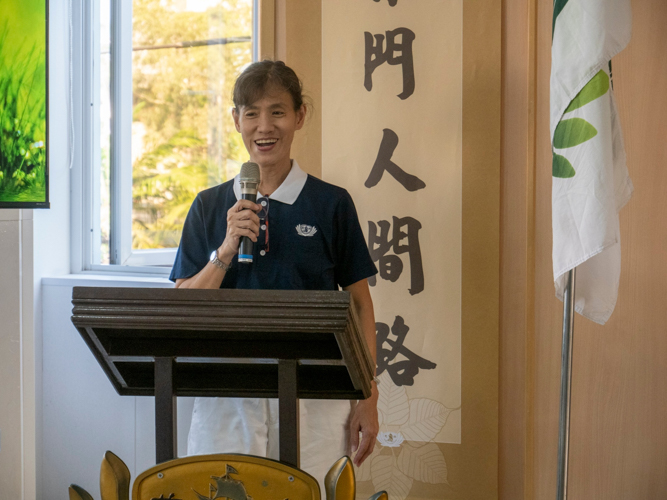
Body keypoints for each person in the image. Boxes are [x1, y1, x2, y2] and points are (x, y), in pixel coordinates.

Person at [169, 60, 379, 486]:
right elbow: (184, 305)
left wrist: (368, 396)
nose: (264, 126)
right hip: (225, 401)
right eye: (251, 113)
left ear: (299, 116)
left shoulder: (331, 204)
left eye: (277, 112)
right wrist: (226, 248)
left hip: (315, 401)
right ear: (236, 121)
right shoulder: (209, 206)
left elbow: (359, 305)